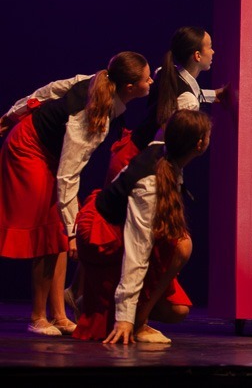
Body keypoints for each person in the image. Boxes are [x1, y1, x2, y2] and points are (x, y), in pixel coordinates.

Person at [0, 51, 152, 336]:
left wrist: (13, 112)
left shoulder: (99, 83)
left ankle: (58, 313)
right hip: (28, 149)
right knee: (50, 232)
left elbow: (50, 90)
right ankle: (37, 316)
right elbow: (68, 176)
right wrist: (14, 114)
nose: (151, 82)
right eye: (147, 79)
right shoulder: (93, 118)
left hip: (49, 153)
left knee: (57, 231)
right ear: (130, 88)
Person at [72, 109, 211, 344]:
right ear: (199, 145)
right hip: (103, 235)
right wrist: (126, 318)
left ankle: (96, 301)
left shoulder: (168, 151)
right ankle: (136, 321)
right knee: (182, 246)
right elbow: (137, 250)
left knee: (177, 311)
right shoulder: (149, 185)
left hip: (118, 227)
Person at [105, 26, 227, 185]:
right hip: (136, 165)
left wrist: (214, 95)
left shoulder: (164, 72)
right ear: (197, 55)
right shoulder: (188, 101)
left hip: (128, 152)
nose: (213, 52)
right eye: (210, 47)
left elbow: (182, 94)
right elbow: (166, 146)